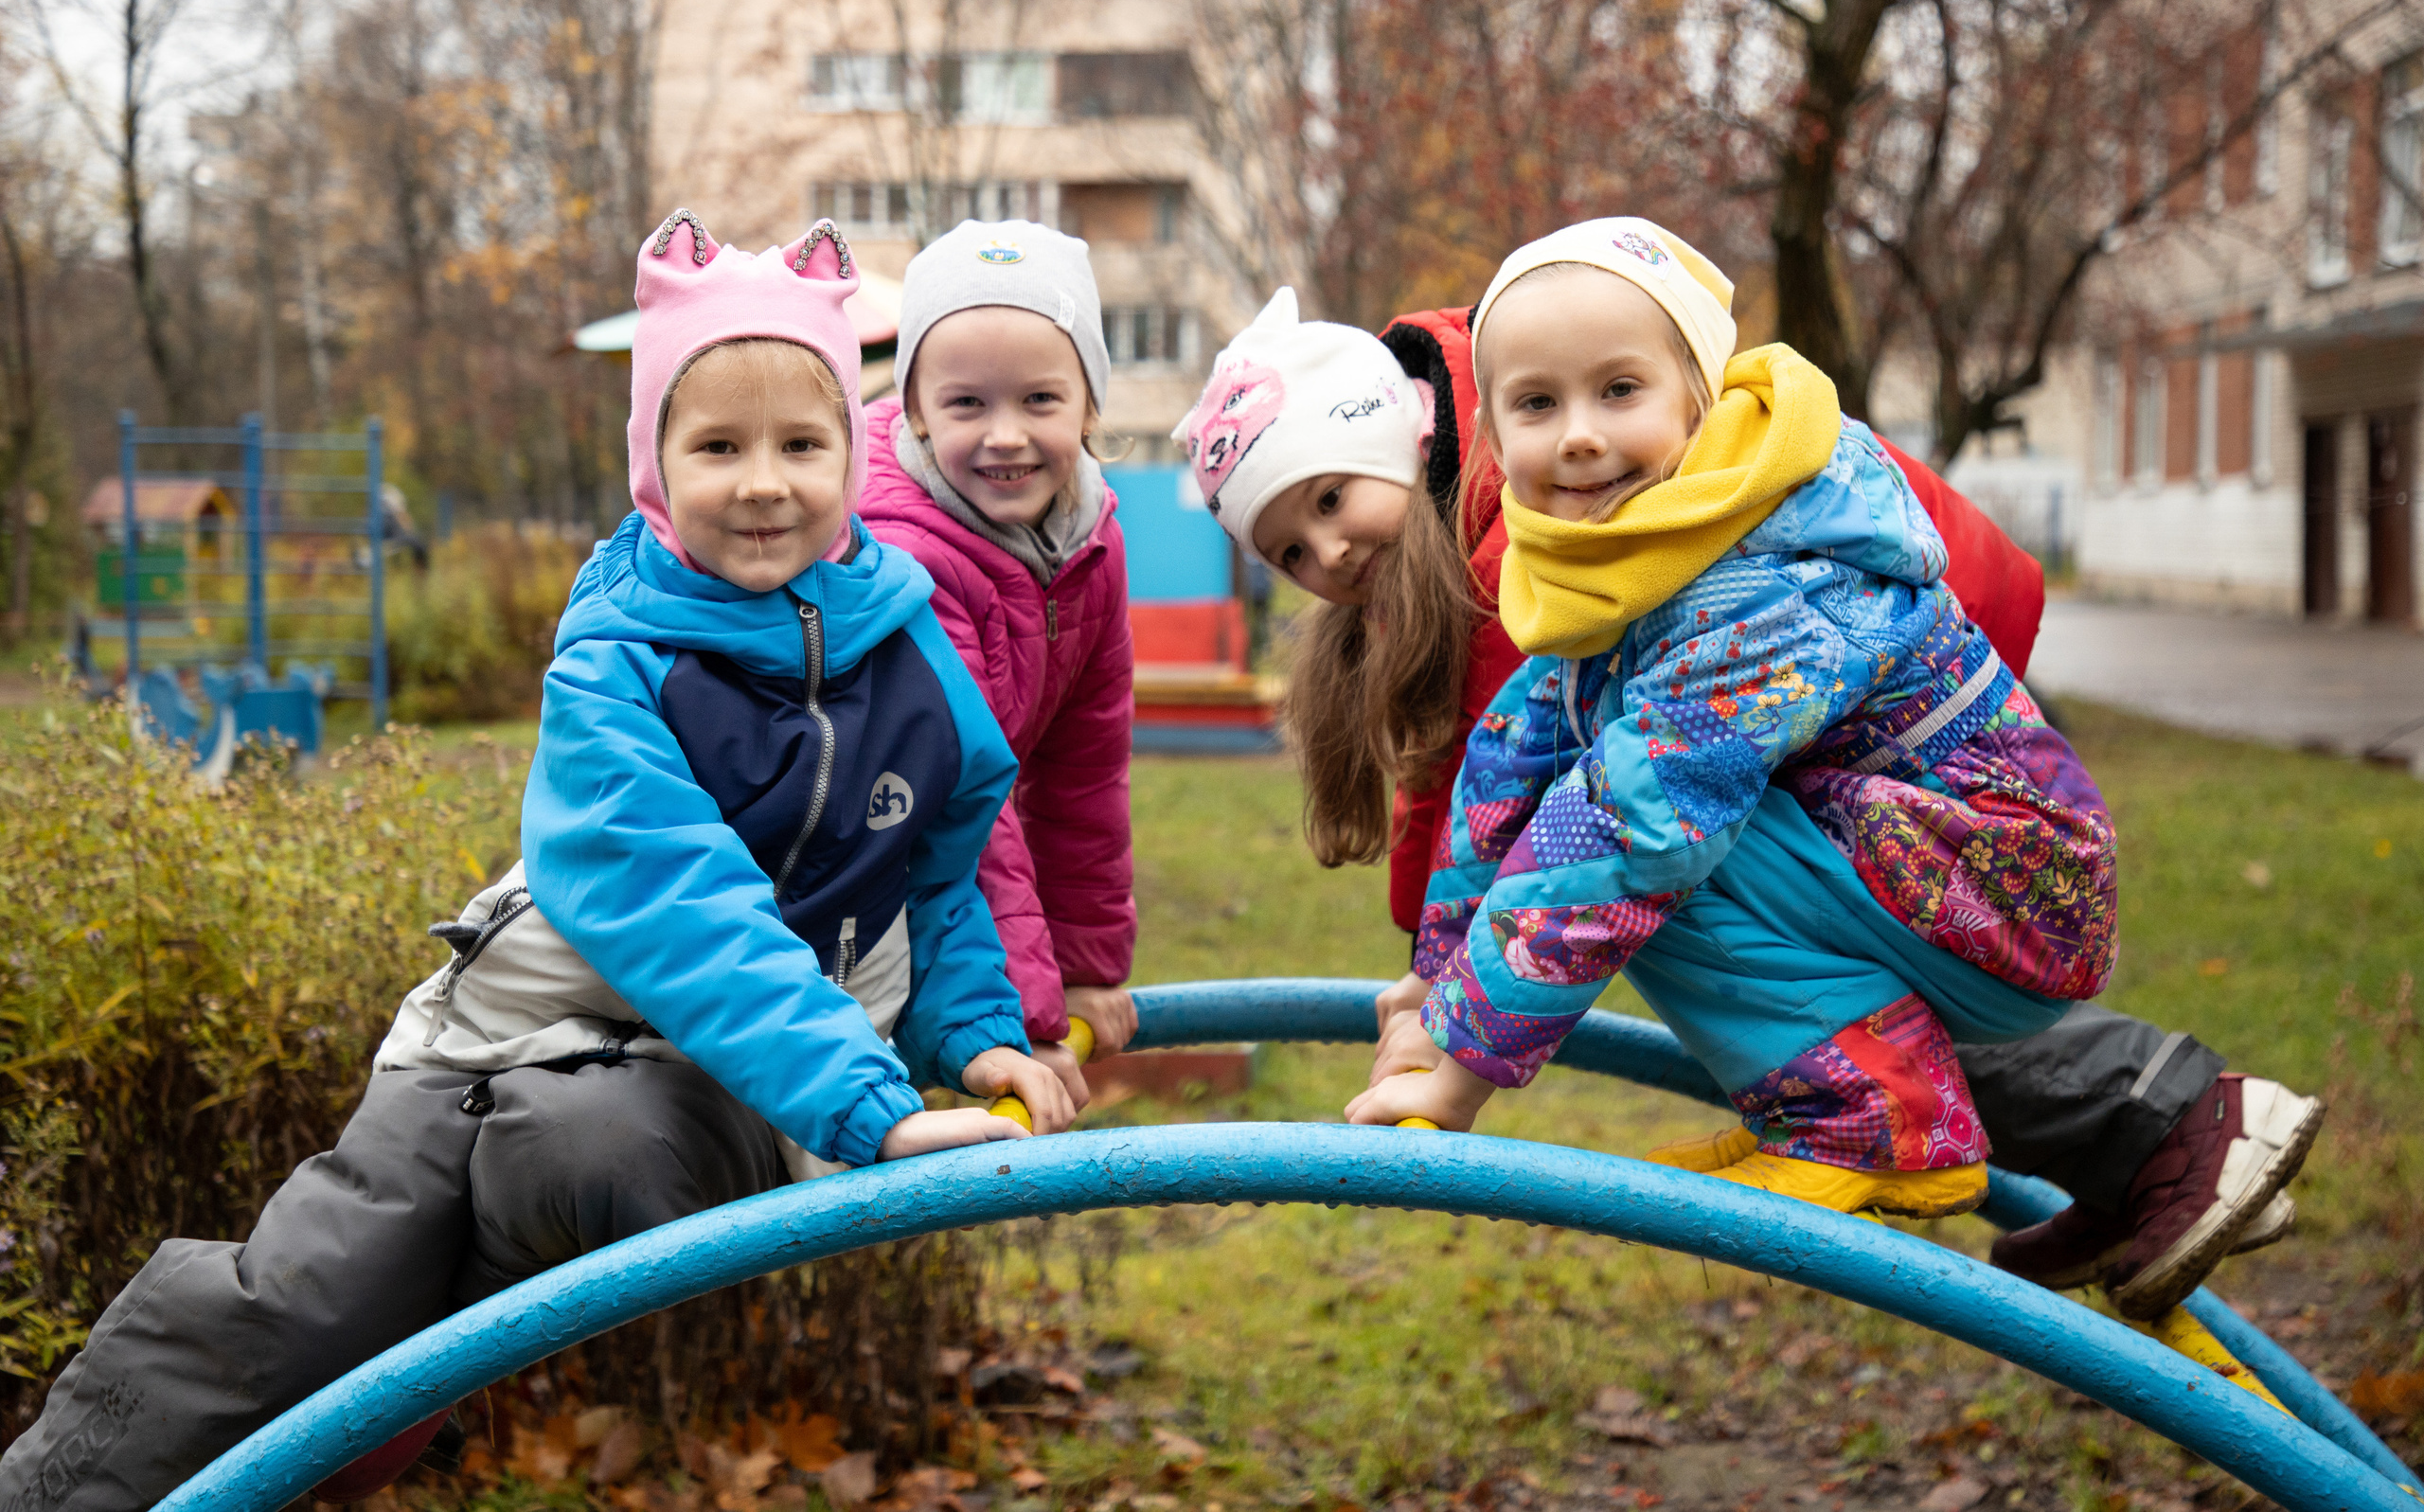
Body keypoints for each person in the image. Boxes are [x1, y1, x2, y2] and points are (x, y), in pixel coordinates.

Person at [0, 212, 1072, 1512]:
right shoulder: (618, 656)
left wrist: (978, 1033)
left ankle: (363, 1398)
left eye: (802, 442)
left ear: (854, 450)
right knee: (306, 1287)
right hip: (500, 1040)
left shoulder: (910, 657)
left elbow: (940, 871)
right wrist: (872, 1104)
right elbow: (681, 905)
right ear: (654, 463)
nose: (763, 481)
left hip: (726, 1073)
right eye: (717, 444)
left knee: (589, 1156)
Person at [1177, 250, 2317, 1307]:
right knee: (1629, 829)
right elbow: (1495, 771)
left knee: (1640, 847)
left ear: (1695, 392)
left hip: (2004, 859)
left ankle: (1896, 1117)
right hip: (1886, 802)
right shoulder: (1593, 546)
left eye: (1329, 501)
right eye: (1286, 548)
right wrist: (1438, 980)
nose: (1576, 438)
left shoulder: (1729, 574)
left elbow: (1618, 825)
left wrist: (1463, 1058)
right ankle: (2005, 1132)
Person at [856, 220, 1138, 1084]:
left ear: (1088, 404)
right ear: (915, 412)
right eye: (967, 404)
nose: (1005, 434)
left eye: (1040, 401)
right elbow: (970, 807)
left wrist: (1088, 966)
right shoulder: (908, 557)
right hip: (862, 887)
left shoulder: (1091, 542)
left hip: (949, 892)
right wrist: (1029, 1009)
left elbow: (1084, 773)